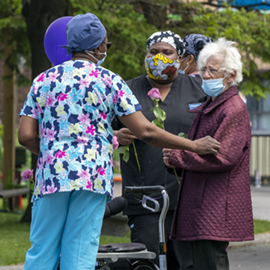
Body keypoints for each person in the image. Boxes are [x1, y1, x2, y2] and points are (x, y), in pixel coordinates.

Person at [18, 14, 220, 270]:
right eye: (106, 44)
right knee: (79, 251)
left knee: (42, 249)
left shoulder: (43, 80)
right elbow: (145, 131)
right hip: (91, 177)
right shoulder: (110, 81)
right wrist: (194, 145)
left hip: (50, 178)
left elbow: (24, 136)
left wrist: (53, 152)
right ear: (97, 46)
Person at [112, 30, 208, 269]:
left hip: (190, 196)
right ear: (146, 55)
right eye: (153, 52)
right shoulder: (127, 89)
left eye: (167, 52)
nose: (159, 57)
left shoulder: (200, 88)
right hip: (144, 197)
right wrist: (116, 135)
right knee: (148, 262)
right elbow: (98, 129)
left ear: (180, 56)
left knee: (187, 263)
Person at [163, 38, 254, 270]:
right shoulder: (211, 104)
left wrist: (177, 158)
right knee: (199, 262)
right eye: (203, 69)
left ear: (231, 75)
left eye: (212, 70)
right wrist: (176, 160)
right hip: (201, 202)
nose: (205, 75)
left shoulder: (232, 107)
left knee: (209, 262)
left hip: (214, 204)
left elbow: (222, 157)